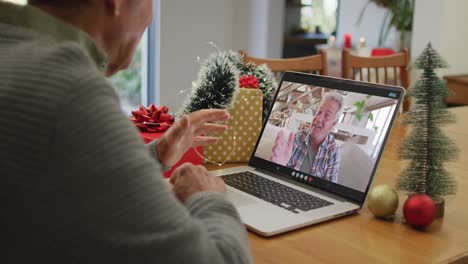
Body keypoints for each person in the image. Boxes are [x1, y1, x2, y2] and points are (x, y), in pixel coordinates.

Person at [0, 1, 251, 263]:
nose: (150, 17)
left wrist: (156, 155)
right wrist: (205, 195)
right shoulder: (70, 91)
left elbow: (66, 172)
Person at [271, 91, 343, 183]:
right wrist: (277, 166)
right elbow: (278, 175)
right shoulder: (296, 138)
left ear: (333, 124)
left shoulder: (333, 151)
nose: (319, 119)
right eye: (319, 112)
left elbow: (329, 189)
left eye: (327, 116)